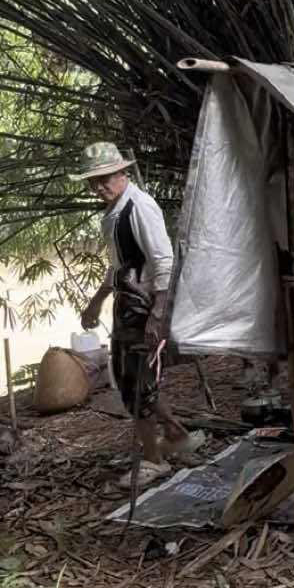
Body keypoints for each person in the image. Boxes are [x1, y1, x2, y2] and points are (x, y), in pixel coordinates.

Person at [74, 142, 197, 474]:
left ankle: (154, 459)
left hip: (144, 306)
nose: (100, 186)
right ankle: (175, 432)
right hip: (127, 303)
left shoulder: (140, 207)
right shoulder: (115, 213)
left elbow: (163, 261)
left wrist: (158, 312)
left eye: (106, 178)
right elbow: (117, 267)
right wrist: (96, 301)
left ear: (123, 172)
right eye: (93, 181)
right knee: (129, 380)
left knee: (139, 381)